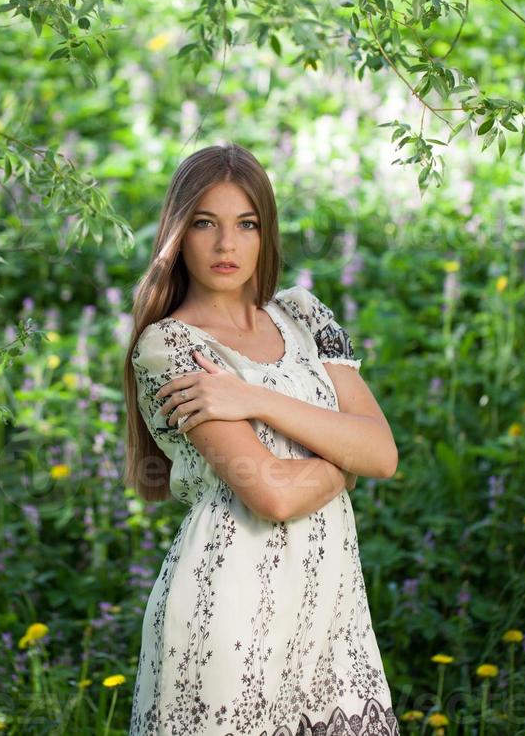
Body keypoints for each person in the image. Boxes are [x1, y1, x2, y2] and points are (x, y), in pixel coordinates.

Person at [123, 143, 401, 736]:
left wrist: (254, 399)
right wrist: (342, 461)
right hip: (229, 610)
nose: (227, 245)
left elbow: (383, 453)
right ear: (179, 233)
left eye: (245, 224)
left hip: (332, 611)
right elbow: (271, 492)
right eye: (205, 224)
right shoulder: (171, 347)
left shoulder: (305, 316)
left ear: (265, 232)